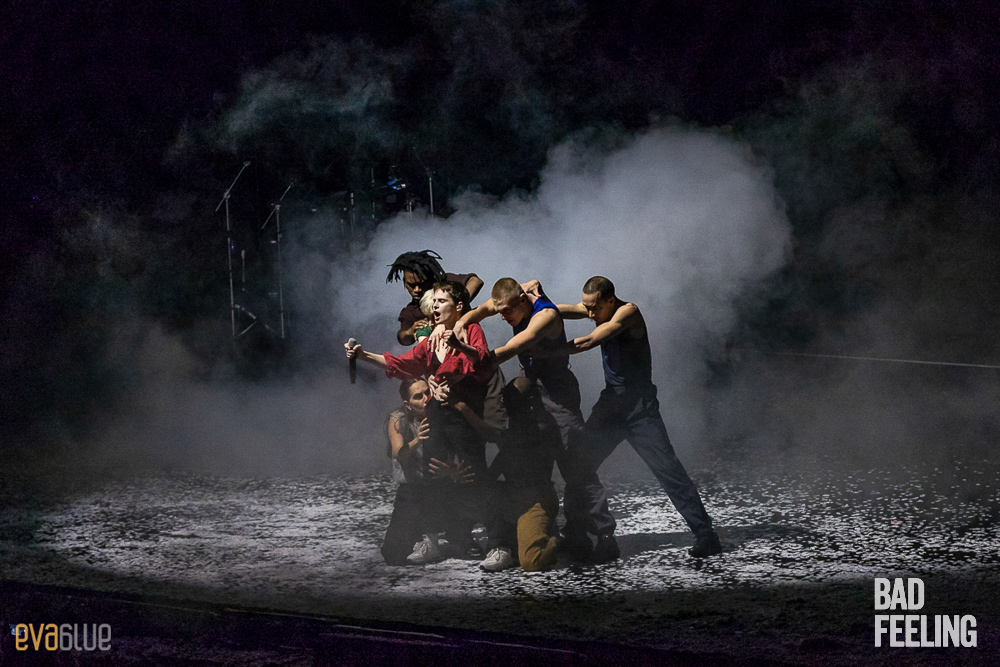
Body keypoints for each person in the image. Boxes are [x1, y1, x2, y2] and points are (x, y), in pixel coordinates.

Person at [558, 276, 722, 559]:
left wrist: (543, 348)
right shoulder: (599, 308)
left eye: (594, 307)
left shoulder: (628, 312)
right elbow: (566, 310)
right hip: (611, 406)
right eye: (587, 307)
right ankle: (578, 533)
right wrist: (537, 304)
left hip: (639, 410)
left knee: (669, 471)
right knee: (578, 465)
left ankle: (706, 535)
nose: (590, 313)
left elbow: (588, 341)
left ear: (610, 300)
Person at [448, 278, 598, 562]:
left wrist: (466, 357)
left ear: (521, 300)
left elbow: (508, 350)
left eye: (507, 311)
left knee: (575, 464)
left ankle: (592, 534)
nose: (502, 317)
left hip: (557, 391)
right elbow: (482, 309)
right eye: (500, 311)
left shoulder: (544, 315)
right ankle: (532, 524)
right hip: (532, 385)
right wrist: (461, 323)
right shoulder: (517, 296)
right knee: (516, 442)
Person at [346, 281, 496, 560]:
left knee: (473, 475)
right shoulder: (431, 339)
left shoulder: (471, 329)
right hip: (438, 413)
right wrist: (363, 355)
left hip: (463, 415)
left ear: (459, 307)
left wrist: (459, 344)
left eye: (441, 301)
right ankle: (432, 540)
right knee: (433, 473)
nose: (435, 305)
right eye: (435, 301)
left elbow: (483, 362)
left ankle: (499, 542)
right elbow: (402, 363)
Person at [451, 376, 562, 572]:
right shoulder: (519, 427)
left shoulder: (542, 427)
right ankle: (500, 545)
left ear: (530, 403)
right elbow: (500, 459)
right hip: (514, 497)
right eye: (507, 401)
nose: (508, 407)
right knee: (471, 495)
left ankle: (555, 539)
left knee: (531, 563)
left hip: (534, 502)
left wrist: (464, 409)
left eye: (512, 401)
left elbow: (497, 437)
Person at [386, 250, 484, 345]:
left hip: (472, 344)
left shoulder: (446, 284)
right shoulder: (411, 311)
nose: (417, 289)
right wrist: (410, 331)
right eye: (412, 285)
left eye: (422, 284)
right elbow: (403, 338)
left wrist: (454, 305)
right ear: (404, 283)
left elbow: (475, 281)